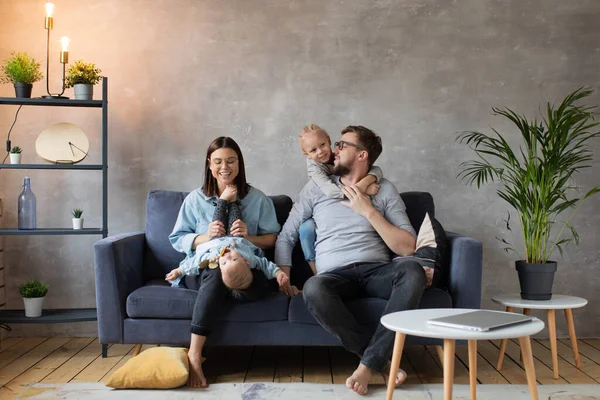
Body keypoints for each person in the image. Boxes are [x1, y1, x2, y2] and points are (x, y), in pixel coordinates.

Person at [275, 125, 427, 395]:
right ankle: (377, 361)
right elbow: (286, 236)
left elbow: (408, 247)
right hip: (334, 277)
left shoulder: (383, 190)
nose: (334, 149)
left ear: (362, 155)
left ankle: (368, 364)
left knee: (412, 270)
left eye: (342, 145)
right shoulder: (315, 189)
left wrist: (368, 212)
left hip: (376, 271)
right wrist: (283, 277)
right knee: (313, 288)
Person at [169, 137, 281, 388]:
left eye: (231, 161)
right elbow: (177, 238)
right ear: (209, 165)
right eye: (218, 161)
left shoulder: (258, 199)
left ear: (239, 164)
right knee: (217, 272)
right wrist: (205, 237)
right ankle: (195, 353)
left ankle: (233, 289)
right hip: (203, 267)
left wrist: (249, 236)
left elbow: (272, 238)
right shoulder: (195, 200)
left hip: (245, 266)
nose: (225, 167)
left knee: (243, 274)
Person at [166, 184, 288, 292]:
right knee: (236, 225)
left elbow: (192, 263)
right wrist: (278, 273)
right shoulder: (249, 258)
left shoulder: (212, 258)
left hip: (215, 240)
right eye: (234, 260)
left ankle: (223, 200)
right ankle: (233, 202)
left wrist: (178, 271)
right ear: (246, 262)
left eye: (224, 262)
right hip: (238, 239)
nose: (228, 256)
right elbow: (265, 265)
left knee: (218, 225)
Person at [297, 124, 383, 274]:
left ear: (329, 140)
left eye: (322, 145)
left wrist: (367, 180)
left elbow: (376, 169)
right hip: (322, 214)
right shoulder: (314, 167)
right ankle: (315, 270)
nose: (320, 151)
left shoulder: (338, 154)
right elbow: (330, 191)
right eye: (313, 150)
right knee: (306, 228)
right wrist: (361, 189)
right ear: (307, 154)